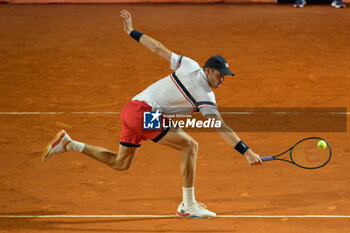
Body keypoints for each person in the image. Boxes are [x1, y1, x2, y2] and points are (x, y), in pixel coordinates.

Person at [41, 9, 262, 219]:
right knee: (190, 146)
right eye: (220, 75)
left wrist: (132, 32)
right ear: (208, 71)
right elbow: (219, 126)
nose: (222, 79)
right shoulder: (205, 94)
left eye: (225, 76)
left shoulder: (189, 64)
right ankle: (188, 205)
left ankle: (70, 144)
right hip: (145, 113)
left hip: (132, 108)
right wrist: (246, 151)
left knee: (120, 163)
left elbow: (158, 48)